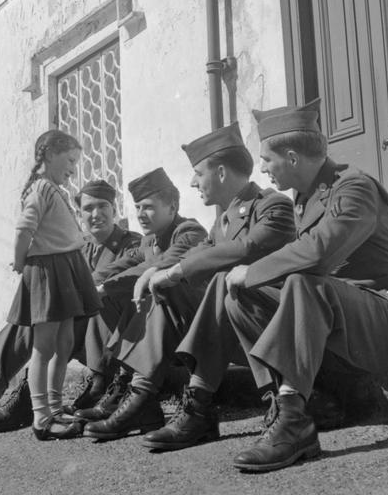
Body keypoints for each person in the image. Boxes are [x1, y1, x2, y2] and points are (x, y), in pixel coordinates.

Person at [194, 99, 388, 472]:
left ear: (291, 157)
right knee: (240, 296)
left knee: (304, 283)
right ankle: (297, 401)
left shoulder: (353, 187)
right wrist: (248, 279)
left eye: (266, 160)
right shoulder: (304, 200)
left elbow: (321, 253)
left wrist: (254, 269)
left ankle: (293, 421)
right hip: (348, 323)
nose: (261, 168)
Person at [83, 123, 296, 447]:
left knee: (210, 281)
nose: (194, 182)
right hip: (234, 328)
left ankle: (169, 402)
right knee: (166, 286)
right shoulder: (222, 222)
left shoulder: (273, 205)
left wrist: (174, 271)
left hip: (277, 328)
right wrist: (161, 274)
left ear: (221, 173)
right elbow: (201, 253)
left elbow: (246, 248)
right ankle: (151, 395)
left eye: (198, 173)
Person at [0, 178, 140, 433]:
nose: (95, 214)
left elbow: (117, 277)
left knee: (65, 311)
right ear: (79, 215)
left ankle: (27, 404)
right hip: (74, 331)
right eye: (88, 209)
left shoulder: (131, 243)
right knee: (32, 319)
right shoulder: (75, 247)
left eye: (103, 206)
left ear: (115, 209)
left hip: (109, 339)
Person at [81, 167, 208, 440]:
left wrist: (105, 287)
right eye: (137, 207)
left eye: (148, 207)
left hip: (195, 329)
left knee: (155, 288)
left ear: (172, 206)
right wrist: (88, 286)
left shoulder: (189, 231)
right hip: (166, 330)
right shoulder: (149, 240)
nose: (140, 214)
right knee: (108, 296)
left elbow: (155, 266)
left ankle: (136, 393)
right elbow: (123, 265)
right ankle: (142, 404)